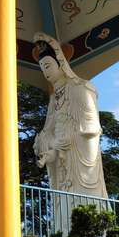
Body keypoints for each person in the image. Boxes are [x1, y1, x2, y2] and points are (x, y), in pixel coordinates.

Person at [33, 32, 107, 201]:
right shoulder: (54, 99)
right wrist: (47, 145)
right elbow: (48, 131)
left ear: (61, 64)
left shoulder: (82, 88)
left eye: (48, 66)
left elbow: (92, 129)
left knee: (85, 199)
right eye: (42, 68)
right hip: (62, 163)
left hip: (79, 160)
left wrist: (67, 140)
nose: (45, 72)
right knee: (64, 201)